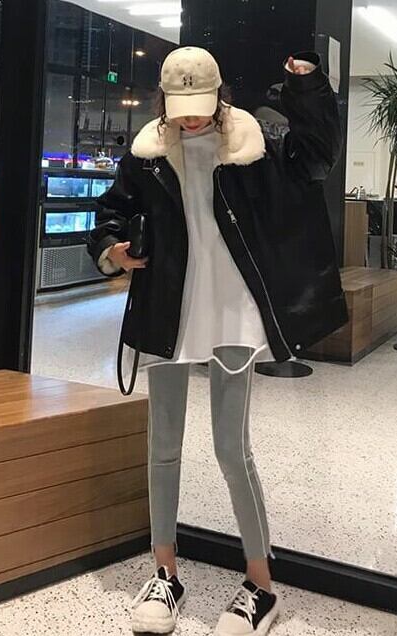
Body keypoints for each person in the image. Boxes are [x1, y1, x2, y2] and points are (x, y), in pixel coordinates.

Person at [88, 46, 347, 636]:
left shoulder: (251, 143)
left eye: (200, 105)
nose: (190, 118)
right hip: (168, 310)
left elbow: (315, 160)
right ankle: (164, 573)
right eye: (180, 107)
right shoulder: (148, 151)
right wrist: (112, 248)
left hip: (232, 312)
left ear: (219, 94)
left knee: (232, 448)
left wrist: (307, 89)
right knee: (163, 446)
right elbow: (111, 211)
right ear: (163, 100)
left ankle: (260, 584)